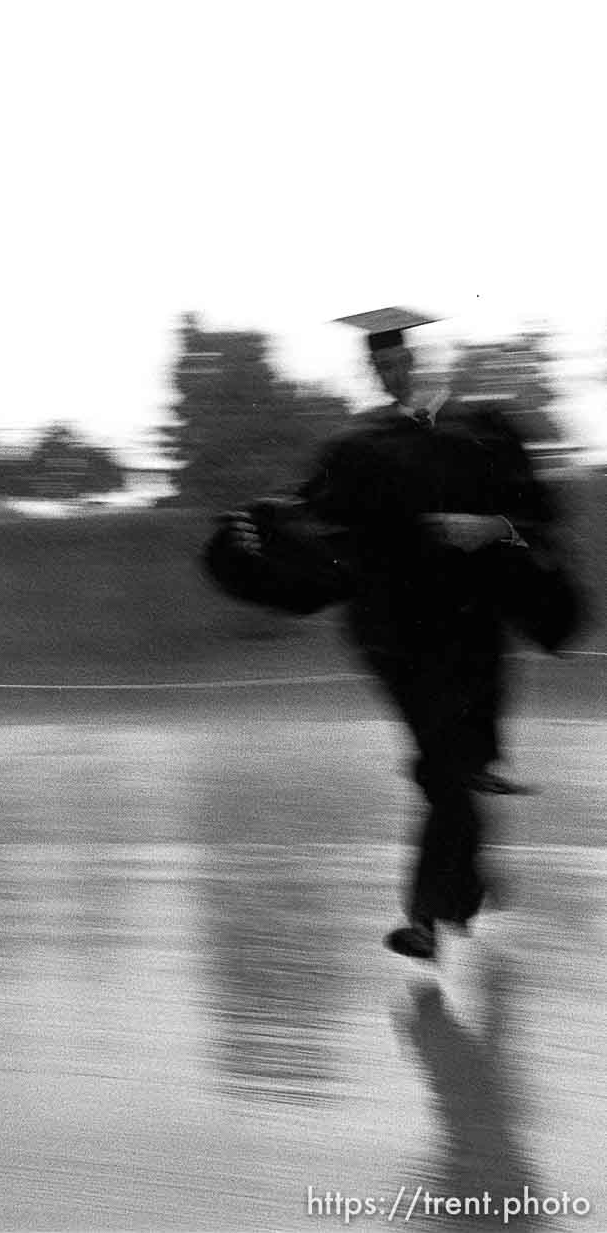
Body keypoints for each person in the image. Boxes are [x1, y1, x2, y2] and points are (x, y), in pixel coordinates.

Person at [223, 307, 566, 963]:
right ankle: (444, 901)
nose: (388, 372)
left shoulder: (484, 434)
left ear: (417, 361)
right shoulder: (356, 451)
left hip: (471, 633)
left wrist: (488, 526)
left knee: (446, 772)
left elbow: (539, 520)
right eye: (377, 364)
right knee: (447, 768)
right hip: (395, 639)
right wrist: (258, 523)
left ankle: (441, 906)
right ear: (372, 369)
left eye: (397, 361)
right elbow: (312, 514)